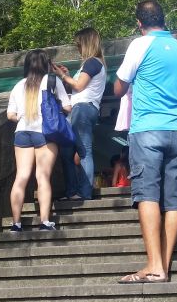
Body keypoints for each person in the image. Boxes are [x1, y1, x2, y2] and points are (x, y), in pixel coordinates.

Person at [114, 0, 177, 284]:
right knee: (172, 200)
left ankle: (154, 266)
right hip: (175, 132)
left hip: (147, 130)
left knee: (146, 194)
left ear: (139, 22)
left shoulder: (140, 45)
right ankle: (163, 265)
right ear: (163, 18)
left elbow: (120, 86)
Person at [6, 49, 71, 232]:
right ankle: (44, 221)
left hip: (22, 132)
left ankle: (16, 223)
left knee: (21, 176)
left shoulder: (19, 85)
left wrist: (22, 117)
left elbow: (10, 114)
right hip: (44, 132)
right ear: (45, 64)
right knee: (42, 176)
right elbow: (67, 107)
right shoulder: (52, 81)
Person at [53, 27, 106, 200]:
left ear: (86, 44)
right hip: (82, 109)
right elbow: (78, 86)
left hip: (83, 109)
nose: (78, 49)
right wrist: (69, 76)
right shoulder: (93, 64)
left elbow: (79, 86)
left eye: (78, 45)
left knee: (83, 152)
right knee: (67, 153)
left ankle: (83, 193)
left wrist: (62, 76)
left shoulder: (92, 62)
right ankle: (73, 192)